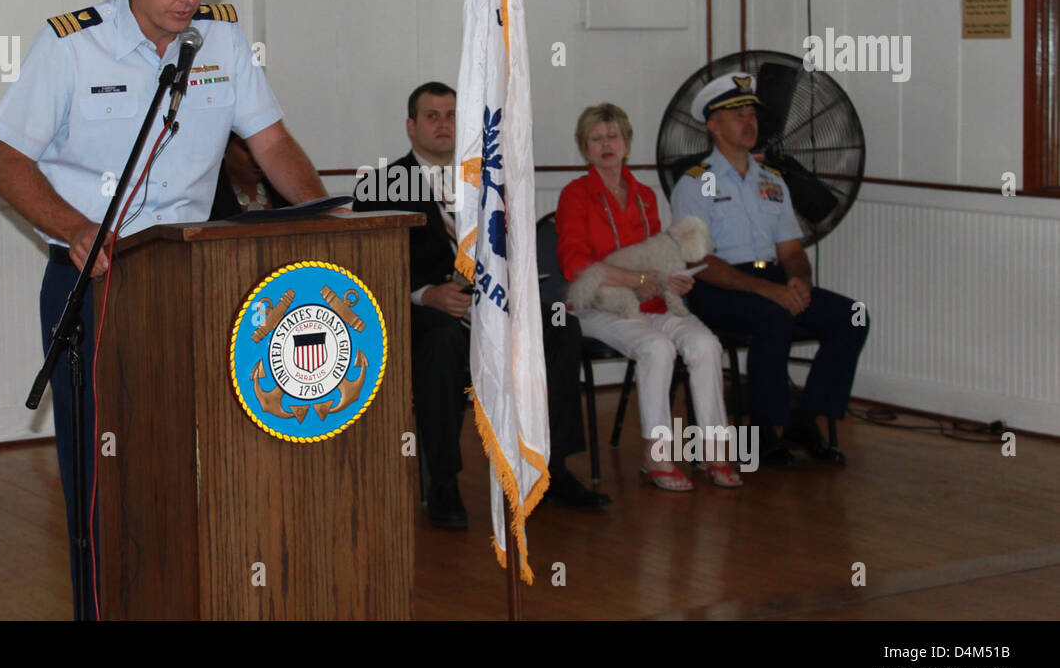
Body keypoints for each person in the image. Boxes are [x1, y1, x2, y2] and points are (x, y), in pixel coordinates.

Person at [0, 0, 327, 618]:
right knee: (102, 481)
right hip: (96, 284)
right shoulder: (70, 47)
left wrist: (331, 219)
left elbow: (271, 144)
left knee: (191, 467)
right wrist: (75, 228)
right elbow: (10, 166)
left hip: (192, 283)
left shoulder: (223, 40)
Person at [353, 82, 609, 526]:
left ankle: (549, 471)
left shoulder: (488, 180)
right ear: (411, 127)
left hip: (494, 308)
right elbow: (366, 272)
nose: (444, 124)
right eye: (432, 116)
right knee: (443, 341)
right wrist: (425, 293)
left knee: (561, 328)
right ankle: (444, 483)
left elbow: (513, 251)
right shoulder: (381, 186)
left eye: (452, 115)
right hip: (425, 314)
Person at [669, 72, 869, 467]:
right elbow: (698, 262)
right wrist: (772, 293)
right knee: (773, 316)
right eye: (737, 114)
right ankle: (761, 433)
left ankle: (804, 420)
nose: (749, 122)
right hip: (716, 286)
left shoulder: (773, 181)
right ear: (713, 126)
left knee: (852, 317)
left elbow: (791, 250)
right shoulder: (697, 183)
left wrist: (799, 283)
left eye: (751, 114)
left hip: (771, 280)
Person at [556, 103, 740, 491]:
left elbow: (659, 255)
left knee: (706, 344)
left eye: (613, 137)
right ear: (584, 148)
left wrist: (674, 281)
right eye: (596, 138)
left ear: (626, 143)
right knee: (658, 348)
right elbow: (575, 265)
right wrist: (636, 278)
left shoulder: (644, 195)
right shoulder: (575, 195)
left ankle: (713, 450)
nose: (606, 145)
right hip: (596, 303)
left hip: (649, 300)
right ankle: (656, 455)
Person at [209, 132, 289, 218]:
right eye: (248, 149)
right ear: (225, 146)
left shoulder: (283, 188)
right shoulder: (206, 192)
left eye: (264, 152)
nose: (257, 159)